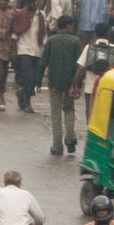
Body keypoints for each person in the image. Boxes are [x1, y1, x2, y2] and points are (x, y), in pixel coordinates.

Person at [41, 15, 85, 156]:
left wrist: (37, 81)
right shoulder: (76, 42)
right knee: (69, 109)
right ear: (67, 26)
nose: (73, 28)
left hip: (54, 82)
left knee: (55, 113)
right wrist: (77, 83)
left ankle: (57, 146)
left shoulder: (51, 41)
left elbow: (43, 62)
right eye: (72, 25)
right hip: (70, 83)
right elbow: (80, 65)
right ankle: (70, 137)